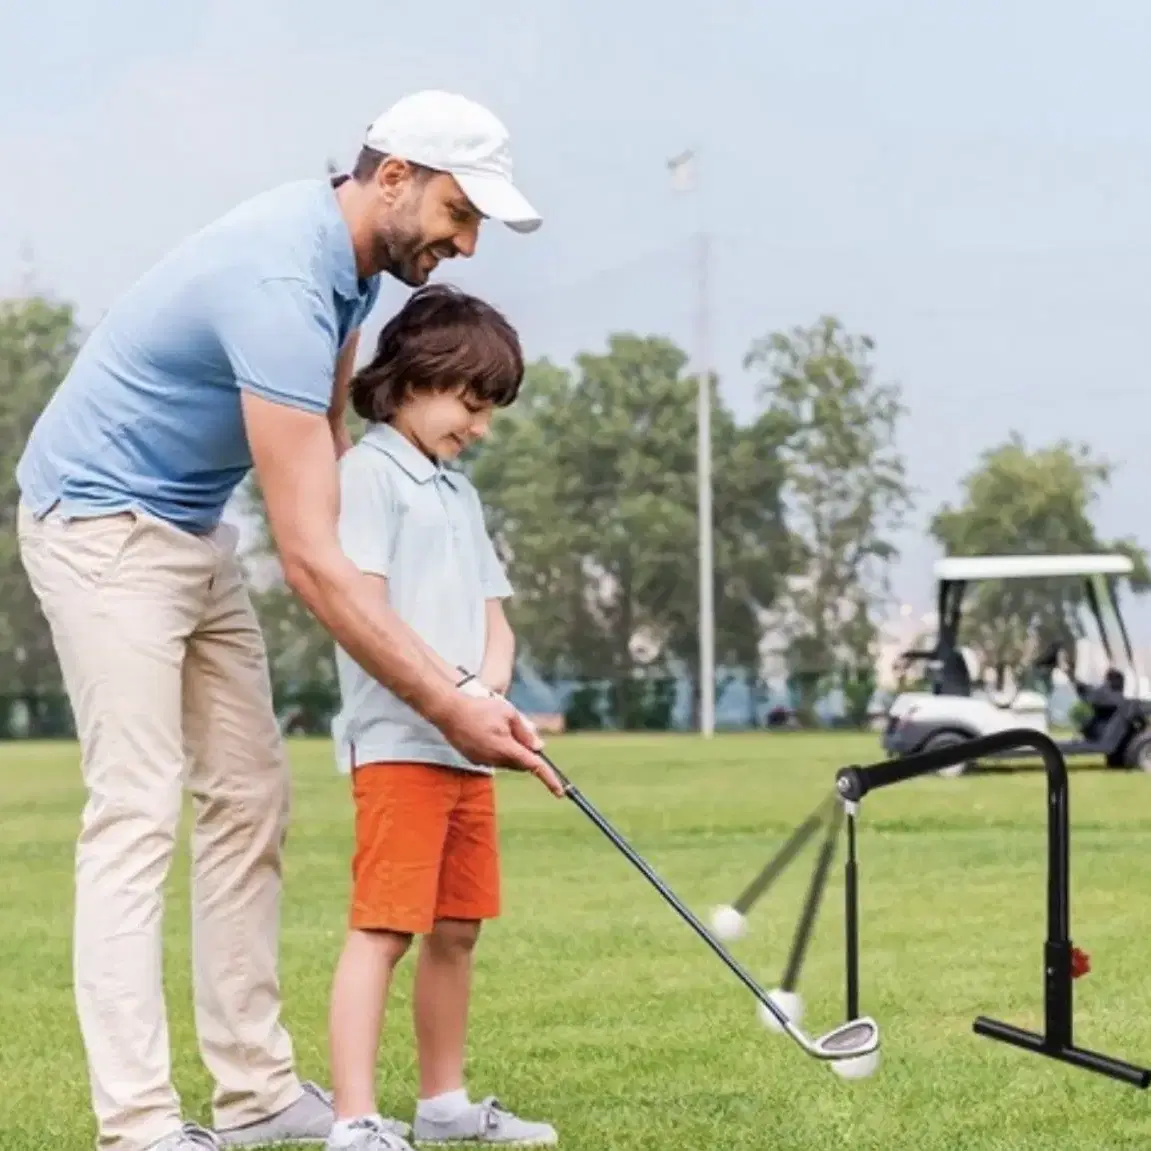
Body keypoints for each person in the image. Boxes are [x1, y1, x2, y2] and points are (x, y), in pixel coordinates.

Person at [15, 89, 561, 1151]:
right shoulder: (278, 275)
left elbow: (330, 474)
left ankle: (256, 1090)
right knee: (135, 807)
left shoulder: (349, 275)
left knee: (251, 798)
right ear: (391, 177)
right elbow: (309, 554)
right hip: (100, 524)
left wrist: (413, 635)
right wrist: (442, 698)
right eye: (459, 210)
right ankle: (135, 1122)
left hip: (191, 529)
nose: (466, 240)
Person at [324, 285, 558, 1151]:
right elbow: (368, 609)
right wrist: (453, 697)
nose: (481, 425)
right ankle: (353, 1119)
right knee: (385, 927)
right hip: (397, 745)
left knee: (457, 928)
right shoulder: (367, 477)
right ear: (416, 378)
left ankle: (442, 1103)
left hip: (464, 747)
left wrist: (488, 697)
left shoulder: (457, 493)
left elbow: (495, 615)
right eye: (471, 402)